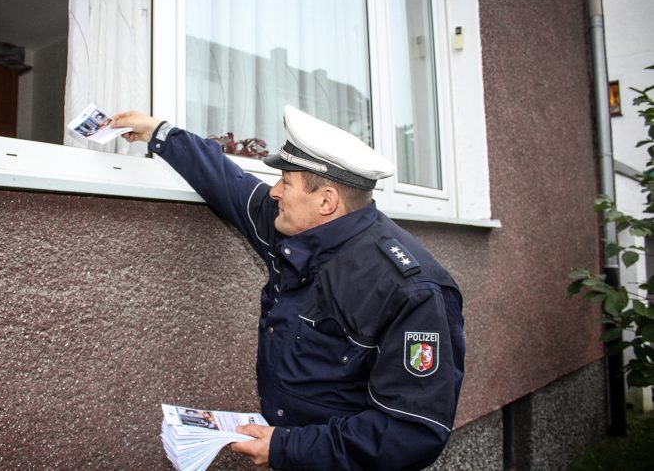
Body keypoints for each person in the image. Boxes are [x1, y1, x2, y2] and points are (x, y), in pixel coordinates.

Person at [114, 106, 465, 470]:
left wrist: (286, 447)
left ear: (326, 201)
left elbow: (410, 433)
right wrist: (160, 132)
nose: (274, 192)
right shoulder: (297, 229)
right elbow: (228, 183)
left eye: (286, 182)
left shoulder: (412, 290)